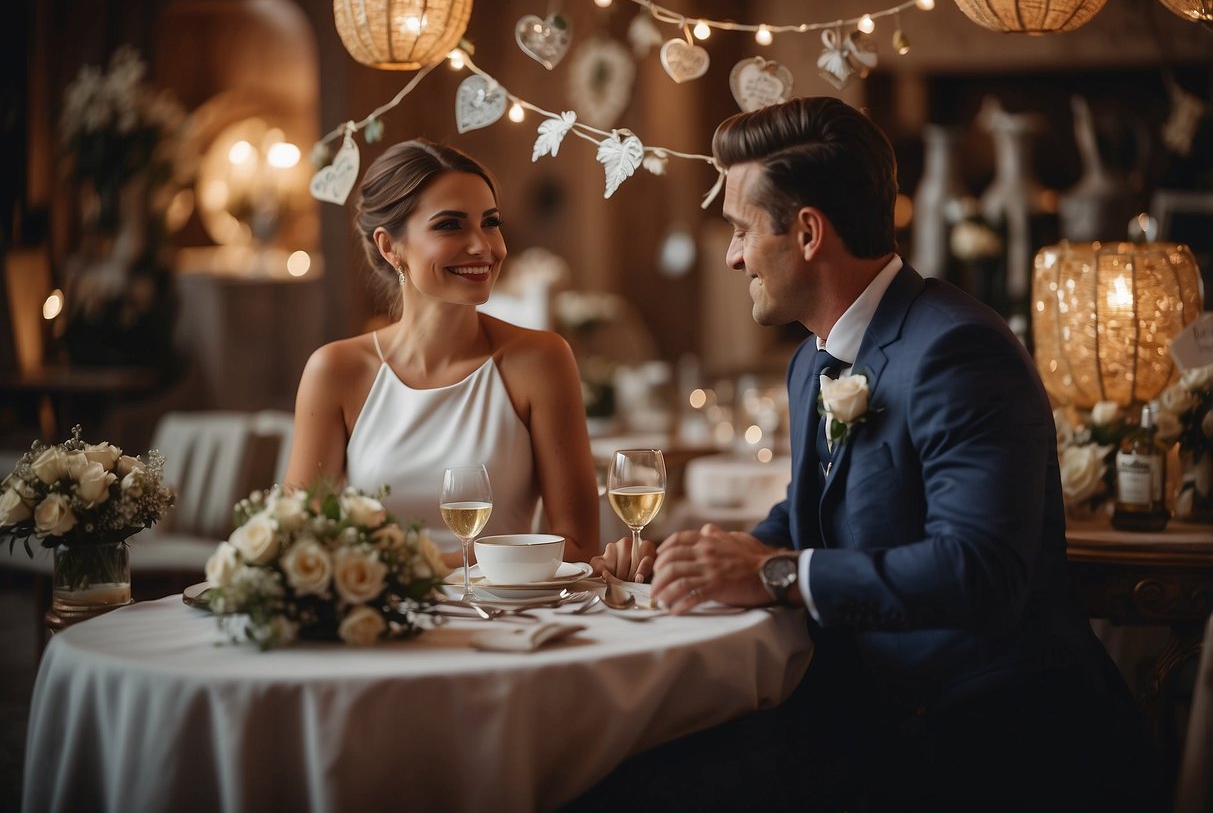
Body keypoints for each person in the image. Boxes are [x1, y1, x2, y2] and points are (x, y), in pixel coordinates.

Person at [580, 98, 1162, 811]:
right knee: (611, 775)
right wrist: (700, 557)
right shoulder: (808, 361)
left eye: (739, 230)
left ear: (806, 233)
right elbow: (815, 516)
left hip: (995, 739)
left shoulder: (956, 349)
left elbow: (980, 569)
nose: (732, 255)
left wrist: (771, 573)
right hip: (866, 716)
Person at [284, 139, 600, 568]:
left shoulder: (541, 360)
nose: (482, 246)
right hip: (376, 624)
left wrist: (416, 564)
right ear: (389, 246)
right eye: (450, 225)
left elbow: (578, 546)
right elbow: (297, 540)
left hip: (507, 621)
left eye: (491, 222)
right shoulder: (336, 371)